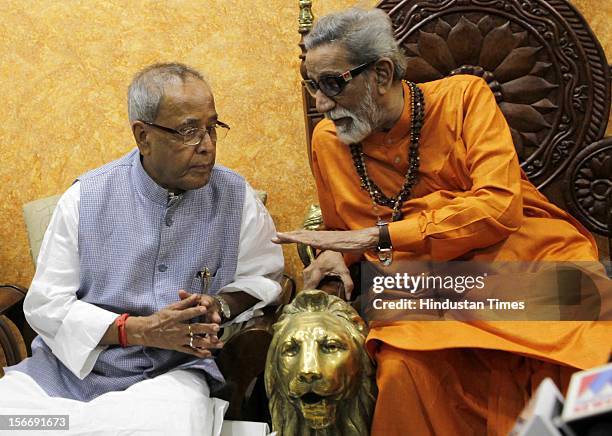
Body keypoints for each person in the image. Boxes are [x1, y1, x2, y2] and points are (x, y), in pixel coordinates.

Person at [273, 8, 611, 436]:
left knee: (583, 355)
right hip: (421, 287)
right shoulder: (329, 140)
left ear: (380, 74)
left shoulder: (464, 97)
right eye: (312, 85)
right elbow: (345, 231)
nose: (321, 103)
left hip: (523, 262)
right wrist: (333, 255)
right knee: (403, 372)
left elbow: (500, 206)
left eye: (332, 84)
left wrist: (383, 235)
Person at [0, 63, 284, 436]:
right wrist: (137, 330)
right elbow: (46, 305)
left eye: (212, 127)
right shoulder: (85, 199)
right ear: (143, 136)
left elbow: (264, 277)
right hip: (68, 372)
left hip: (173, 373)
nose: (207, 145)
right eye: (188, 131)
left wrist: (221, 305)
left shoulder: (235, 197)